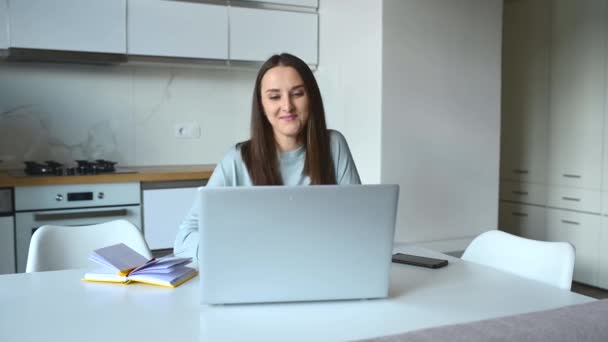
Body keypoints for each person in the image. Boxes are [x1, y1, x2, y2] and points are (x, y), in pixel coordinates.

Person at [174, 53, 361, 258]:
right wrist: (231, 249)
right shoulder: (237, 160)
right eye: (274, 97)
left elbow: (358, 224)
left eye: (297, 94)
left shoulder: (334, 146)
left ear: (311, 98)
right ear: (262, 106)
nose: (287, 106)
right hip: (257, 276)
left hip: (323, 269)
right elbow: (184, 238)